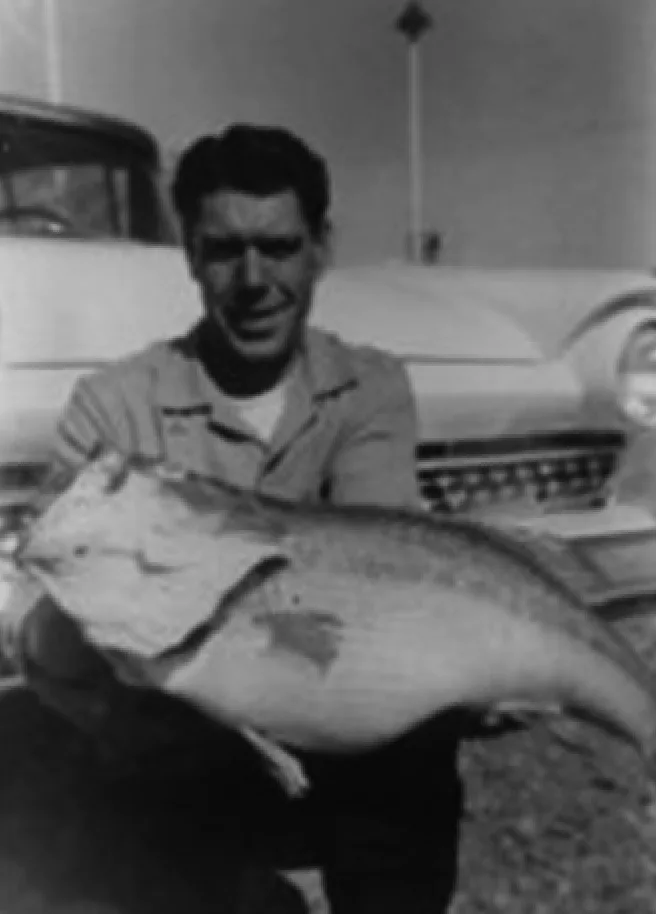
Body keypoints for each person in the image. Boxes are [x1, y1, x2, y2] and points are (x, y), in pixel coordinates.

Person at [1, 125, 464, 913]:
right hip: (173, 751)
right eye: (224, 250)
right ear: (189, 253)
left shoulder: (370, 389)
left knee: (416, 751)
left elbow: (373, 595)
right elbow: (41, 613)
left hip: (331, 730)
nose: (254, 278)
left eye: (279, 247)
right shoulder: (113, 405)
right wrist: (68, 618)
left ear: (320, 248)